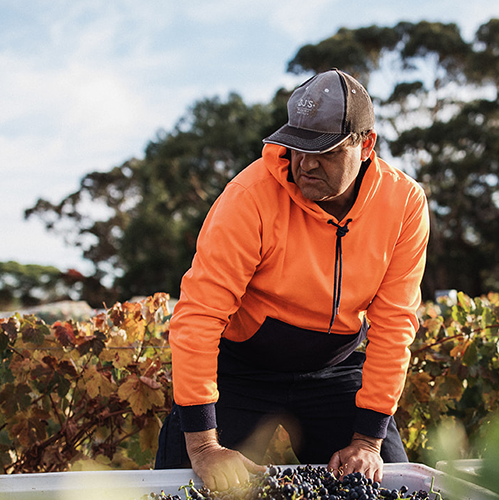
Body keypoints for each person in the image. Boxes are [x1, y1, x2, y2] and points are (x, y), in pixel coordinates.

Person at [155, 69, 430, 491]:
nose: (306, 163)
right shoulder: (249, 197)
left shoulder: (404, 204)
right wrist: (205, 448)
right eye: (297, 146)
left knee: (388, 485)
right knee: (180, 486)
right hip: (240, 369)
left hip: (334, 371)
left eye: (325, 151)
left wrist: (367, 440)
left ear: (366, 144)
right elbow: (199, 317)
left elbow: (395, 325)